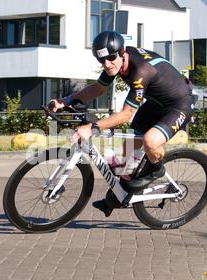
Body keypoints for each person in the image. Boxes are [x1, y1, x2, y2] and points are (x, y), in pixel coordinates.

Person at [48, 31, 195, 215]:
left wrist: (92, 127)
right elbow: (98, 89)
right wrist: (67, 100)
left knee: (150, 141)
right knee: (126, 156)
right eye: (101, 61)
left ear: (122, 51)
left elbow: (126, 114)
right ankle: (118, 197)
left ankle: (156, 169)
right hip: (156, 103)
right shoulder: (116, 63)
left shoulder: (141, 71)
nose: (107, 64)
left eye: (110, 58)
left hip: (179, 104)